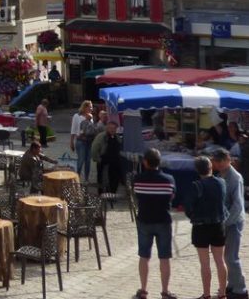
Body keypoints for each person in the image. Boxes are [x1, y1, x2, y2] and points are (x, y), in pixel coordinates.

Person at [133, 148, 177, 299]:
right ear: (160, 162)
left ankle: (143, 290)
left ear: (145, 162)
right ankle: (165, 291)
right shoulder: (169, 180)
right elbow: (171, 197)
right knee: (164, 257)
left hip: (144, 220)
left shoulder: (137, 179)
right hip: (163, 221)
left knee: (144, 256)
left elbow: (137, 195)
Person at [185, 155, 228, 299]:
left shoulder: (196, 185)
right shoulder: (221, 182)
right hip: (218, 225)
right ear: (211, 167)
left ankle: (207, 294)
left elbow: (188, 207)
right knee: (220, 261)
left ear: (198, 170)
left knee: (205, 263)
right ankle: (222, 293)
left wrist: (194, 216)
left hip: (201, 227)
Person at [212, 148, 248, 299]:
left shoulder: (235, 177)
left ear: (227, 160)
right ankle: (232, 284)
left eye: (220, 161)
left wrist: (226, 223)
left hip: (234, 223)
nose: (218, 164)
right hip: (227, 221)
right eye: (216, 162)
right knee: (227, 257)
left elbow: (238, 205)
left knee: (232, 257)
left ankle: (241, 289)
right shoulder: (222, 174)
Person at [92, 119, 123, 194]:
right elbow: (94, 148)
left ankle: (112, 194)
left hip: (115, 162)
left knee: (115, 178)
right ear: (107, 128)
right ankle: (101, 194)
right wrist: (97, 159)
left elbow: (120, 148)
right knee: (102, 179)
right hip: (103, 161)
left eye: (114, 128)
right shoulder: (101, 136)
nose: (112, 130)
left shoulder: (117, 137)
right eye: (111, 128)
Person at [70, 100, 97, 182]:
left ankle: (86, 179)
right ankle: (76, 178)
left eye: (92, 107)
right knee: (81, 160)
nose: (92, 109)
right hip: (80, 142)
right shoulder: (77, 116)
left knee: (88, 161)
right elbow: (73, 129)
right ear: (85, 107)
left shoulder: (91, 116)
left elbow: (92, 129)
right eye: (90, 107)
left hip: (89, 141)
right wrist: (71, 142)